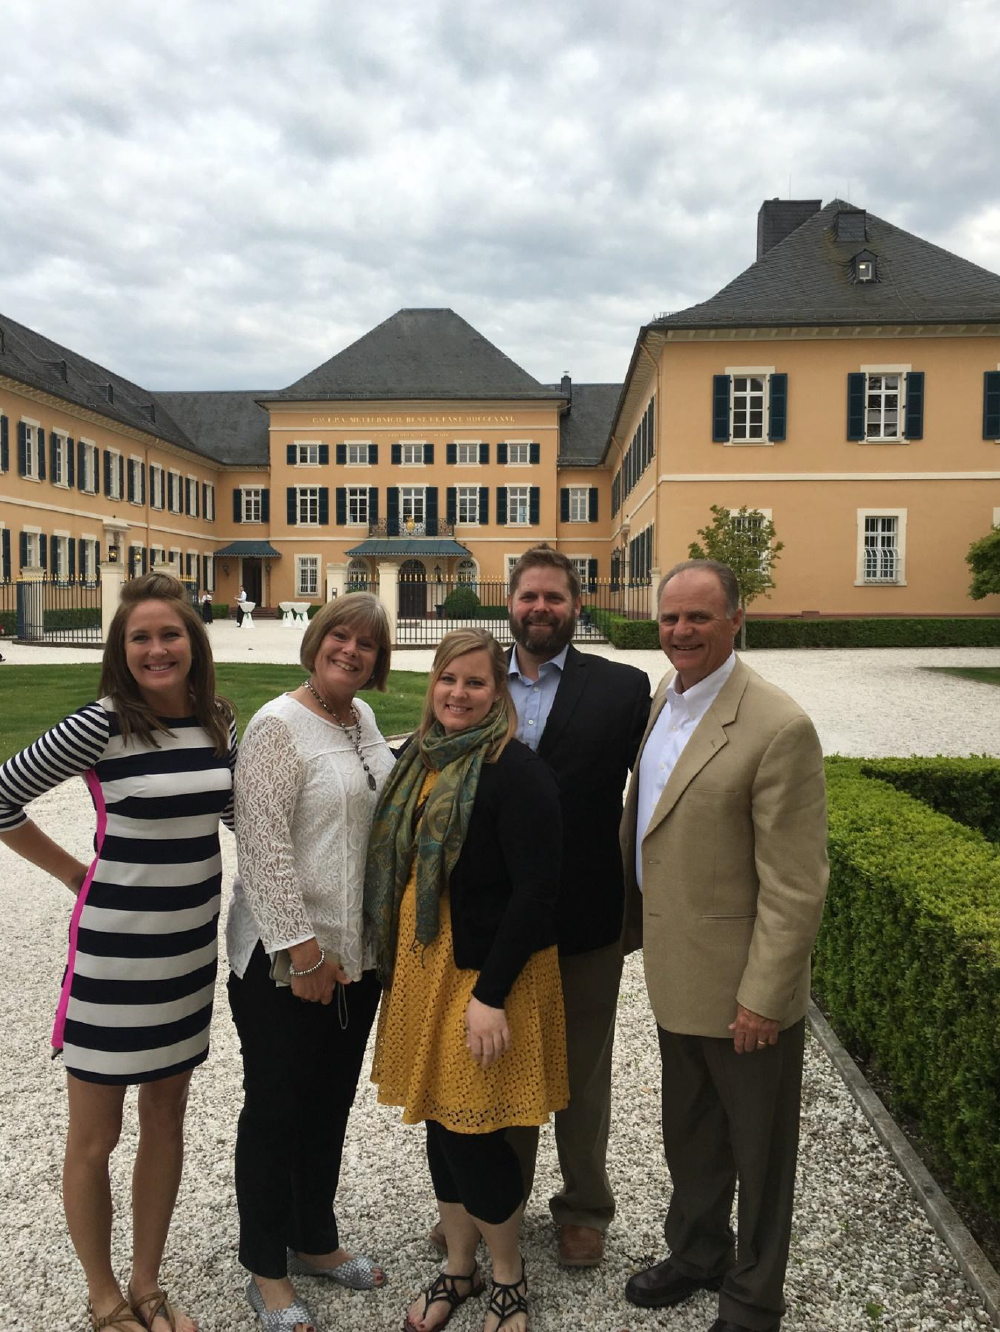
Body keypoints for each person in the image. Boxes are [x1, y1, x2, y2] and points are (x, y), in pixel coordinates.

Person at [0, 571, 237, 1332]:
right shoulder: (100, 725)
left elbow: (241, 817)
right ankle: (104, 1298)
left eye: (171, 634)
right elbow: (2, 798)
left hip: (188, 953)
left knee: (167, 1117)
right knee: (96, 1135)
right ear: (122, 648)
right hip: (114, 958)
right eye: (141, 637)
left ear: (193, 644)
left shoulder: (214, 721)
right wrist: (73, 871)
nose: (157, 648)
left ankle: (147, 1282)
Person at [620, 559, 829, 1332]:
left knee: (760, 1155)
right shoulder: (661, 701)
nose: (681, 631)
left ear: (737, 620)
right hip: (677, 973)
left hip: (744, 989)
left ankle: (754, 1295)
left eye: (699, 618)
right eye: (671, 617)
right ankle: (698, 1253)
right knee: (693, 1135)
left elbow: (797, 884)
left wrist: (765, 996)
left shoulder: (777, 726)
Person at [428, 545, 650, 1268]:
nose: (541, 609)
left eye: (555, 598)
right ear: (511, 602)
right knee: (498, 1069)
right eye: (529, 597)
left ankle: (584, 1207)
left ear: (575, 606)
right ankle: (498, 1205)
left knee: (582, 1074)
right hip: (493, 923)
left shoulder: (623, 689)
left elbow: (655, 798)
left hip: (585, 916)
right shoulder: (476, 683)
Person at [366, 628, 568, 1332]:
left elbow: (537, 892)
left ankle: (507, 1276)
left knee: (473, 1133)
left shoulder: (518, 773)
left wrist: (490, 995)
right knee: (439, 1119)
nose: (458, 693)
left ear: (499, 692)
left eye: (475, 683)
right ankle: (459, 1266)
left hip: (486, 971)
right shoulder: (414, 761)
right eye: (448, 680)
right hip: (427, 967)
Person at [227, 591, 395, 1332]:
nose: (351, 651)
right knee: (276, 1111)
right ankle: (266, 1267)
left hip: (356, 957)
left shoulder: (360, 719)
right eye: (340, 637)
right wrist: (302, 953)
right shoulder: (276, 726)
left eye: (366, 644)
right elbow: (261, 850)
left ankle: (314, 1240)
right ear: (317, 640)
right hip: (285, 963)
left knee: (329, 1105)